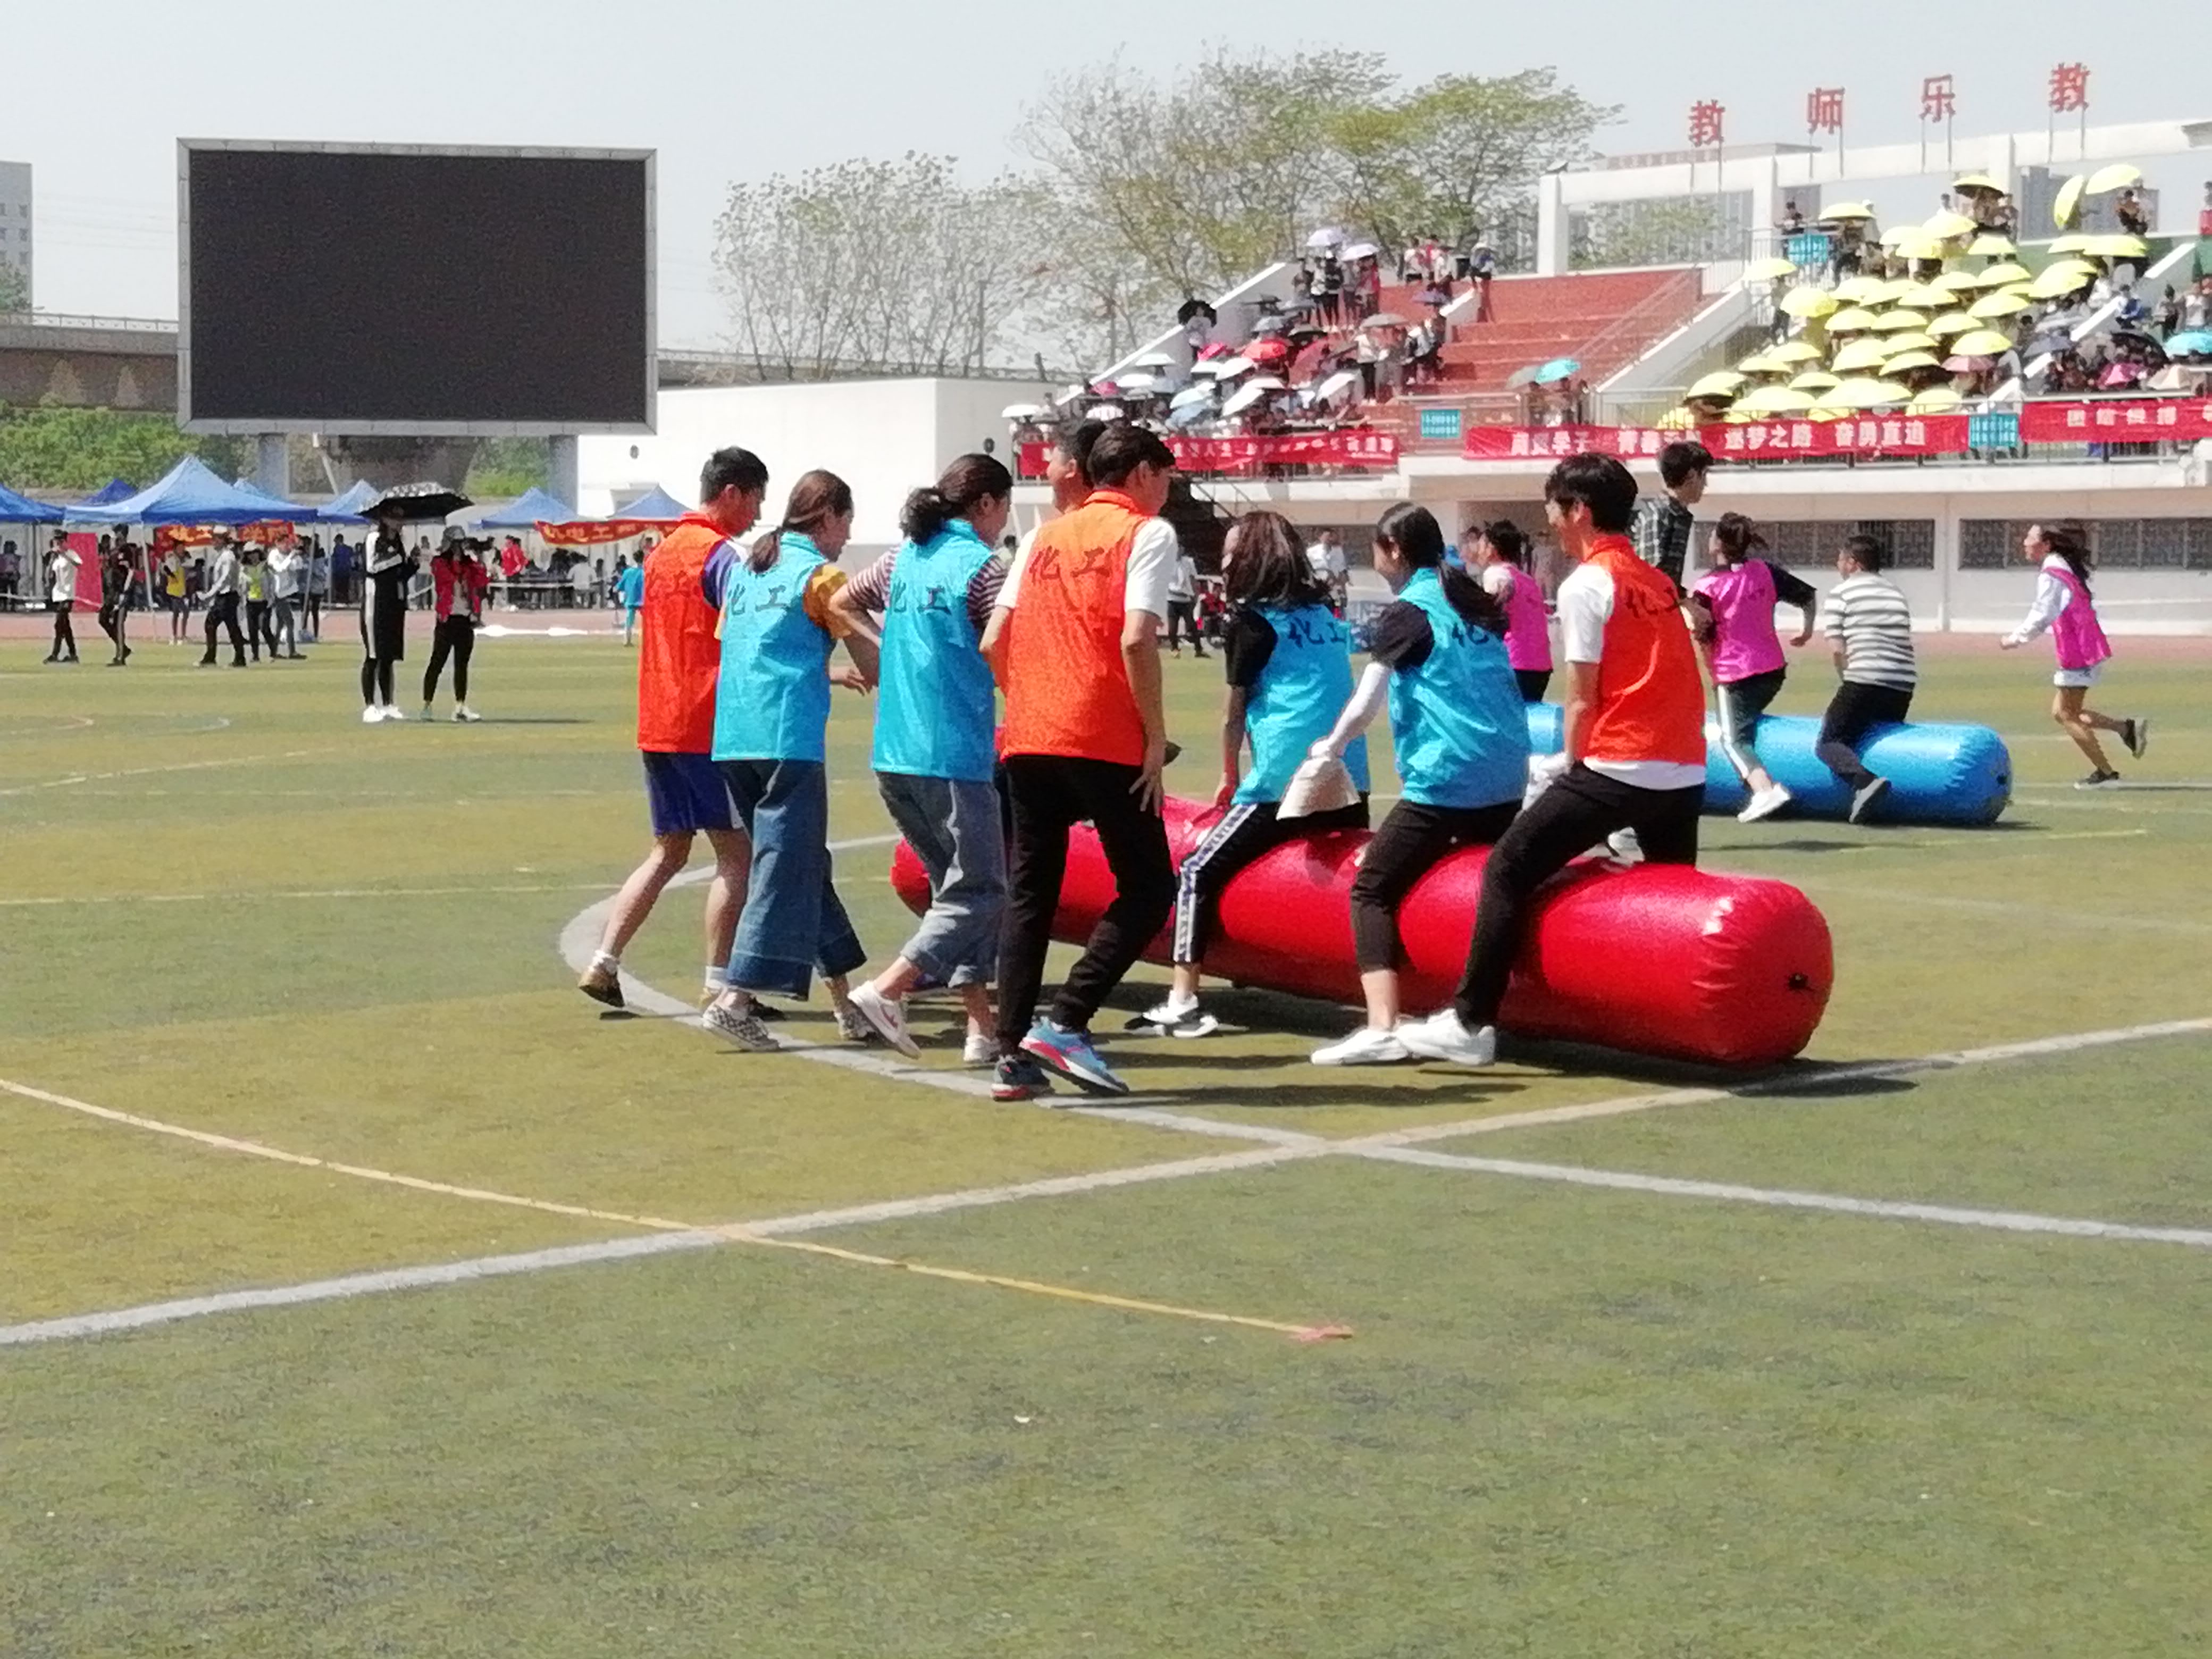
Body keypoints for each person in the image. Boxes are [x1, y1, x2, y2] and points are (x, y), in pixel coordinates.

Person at [1398, 454, 1707, 1068]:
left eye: (1554, 510)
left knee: (1506, 866)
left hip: (1621, 765)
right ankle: (1677, 1018)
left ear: (1579, 511)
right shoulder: (1655, 581)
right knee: (1671, 899)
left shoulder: (1587, 584)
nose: (1551, 522)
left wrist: (1569, 764)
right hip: (1684, 768)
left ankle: (1470, 1022)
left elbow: (1582, 696)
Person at [982, 422, 1178, 1100]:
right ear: (1143, 474)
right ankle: (1066, 1019)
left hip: (1029, 735)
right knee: (1149, 887)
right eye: (1165, 476)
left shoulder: (1042, 536)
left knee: (1030, 893)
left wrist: (1032, 701)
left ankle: (1011, 1053)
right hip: (1102, 735)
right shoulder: (1146, 533)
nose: (1167, 490)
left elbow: (993, 640)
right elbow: (1136, 639)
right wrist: (1153, 736)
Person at [1131, 510, 1370, 1041]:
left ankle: (1182, 999)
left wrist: (1229, 775)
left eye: (1232, 552)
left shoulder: (1250, 622)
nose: (1224, 561)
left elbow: (1232, 714)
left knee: (1196, 870)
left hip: (1287, 781)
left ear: (1254, 559)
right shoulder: (1325, 615)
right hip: (1349, 775)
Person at [1305, 505, 1529, 1066]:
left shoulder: (1410, 612)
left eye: (1377, 548)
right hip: (1507, 778)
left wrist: (1328, 749)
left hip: (1451, 779)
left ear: (1394, 550)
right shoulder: (1470, 602)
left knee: (1371, 887)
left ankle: (1382, 1026)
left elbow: (1365, 705)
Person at [828, 455, 1016, 1066]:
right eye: (1003, 508)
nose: (1002, 521)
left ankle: (980, 1028)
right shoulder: (982, 568)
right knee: (982, 892)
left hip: (894, 752)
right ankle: (888, 990)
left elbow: (842, 601)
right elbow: (1002, 644)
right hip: (952, 754)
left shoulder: (903, 557)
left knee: (951, 893)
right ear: (985, 505)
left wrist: (888, 650)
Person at [579, 448, 770, 1016]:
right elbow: (750, 630)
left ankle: (604, 961)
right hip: (704, 726)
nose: (758, 515)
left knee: (668, 851)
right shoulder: (720, 556)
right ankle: (718, 983)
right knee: (736, 855)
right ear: (731, 493)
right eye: (755, 500)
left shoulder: (662, 552)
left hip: (658, 721)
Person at [700, 470, 877, 1052]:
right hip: (787, 740)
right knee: (783, 868)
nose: (847, 537)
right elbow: (875, 660)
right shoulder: (822, 577)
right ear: (827, 518)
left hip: (735, 736)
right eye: (846, 523)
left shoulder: (748, 569)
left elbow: (748, 647)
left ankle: (846, 1001)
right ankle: (735, 998)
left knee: (801, 865)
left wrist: (820, 670)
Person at [1688, 512, 1818, 824]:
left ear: (1718, 544)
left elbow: (1703, 636)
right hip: (1773, 670)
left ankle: (1764, 790)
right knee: (1745, 722)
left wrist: (1712, 672)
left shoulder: (1707, 587)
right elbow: (1807, 595)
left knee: (1733, 739)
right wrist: (1807, 630)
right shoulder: (1764, 571)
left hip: (1734, 674)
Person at [2000, 521, 2149, 787]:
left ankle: (2106, 773)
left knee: (2067, 714)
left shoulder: (2052, 572)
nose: (2024, 542)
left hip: (2079, 650)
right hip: (2082, 647)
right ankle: (2126, 729)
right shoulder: (2060, 566)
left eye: (2030, 538)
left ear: (2046, 545)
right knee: (2064, 712)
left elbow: (2043, 613)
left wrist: (2015, 638)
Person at [1814, 534, 1918, 823]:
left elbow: (1838, 649)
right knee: (1874, 738)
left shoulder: (1842, 594)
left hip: (1865, 680)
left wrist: (1845, 680)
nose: (1838, 565)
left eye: (1840, 559)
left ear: (1853, 562)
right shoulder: (1896, 593)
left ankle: (1864, 782)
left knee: (1829, 742)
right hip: (1903, 684)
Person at [1470, 520, 1552, 700]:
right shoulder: (1528, 581)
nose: (1479, 550)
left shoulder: (1495, 574)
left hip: (1514, 662)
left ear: (1492, 549)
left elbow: (1489, 617)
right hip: (1541, 665)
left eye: (1482, 545)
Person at [423, 527, 490, 721]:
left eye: (461, 543)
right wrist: (459, 561)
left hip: (465, 619)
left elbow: (482, 580)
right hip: (447, 619)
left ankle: (460, 706)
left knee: (462, 665)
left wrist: (479, 556)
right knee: (437, 663)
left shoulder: (469, 564)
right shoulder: (440, 562)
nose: (459, 547)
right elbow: (448, 577)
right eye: (455, 543)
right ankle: (427, 704)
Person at [1629, 441, 1710, 590]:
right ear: (1691, 476)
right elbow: (1650, 575)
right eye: (1704, 476)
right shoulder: (1659, 514)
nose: (1705, 484)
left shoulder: (1678, 514)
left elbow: (1670, 578)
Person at [358, 511, 415, 720]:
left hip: (394, 603)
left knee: (388, 656)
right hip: (375, 601)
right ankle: (370, 705)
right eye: (395, 517)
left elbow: (400, 574)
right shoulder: (374, 538)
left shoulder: (398, 543)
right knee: (373, 655)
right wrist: (398, 559)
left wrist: (412, 564)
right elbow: (373, 567)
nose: (400, 522)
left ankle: (388, 703)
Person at [197, 531, 247, 668]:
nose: (213, 542)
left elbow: (225, 579)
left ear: (222, 540)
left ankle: (213, 657)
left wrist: (209, 595)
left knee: (215, 625)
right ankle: (238, 658)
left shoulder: (227, 557)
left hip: (227, 596)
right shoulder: (223, 556)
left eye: (215, 539)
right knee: (228, 626)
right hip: (225, 596)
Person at [43, 531, 81, 665]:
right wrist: (52, 559)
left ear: (65, 541)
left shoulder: (71, 553)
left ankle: (55, 654)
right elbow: (49, 576)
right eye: (56, 541)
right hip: (58, 594)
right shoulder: (56, 558)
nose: (58, 543)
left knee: (59, 624)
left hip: (68, 594)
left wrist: (64, 554)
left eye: (60, 541)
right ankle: (73, 654)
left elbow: (78, 564)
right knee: (65, 626)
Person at [1163, 541, 1206, 658]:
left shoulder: (1188, 562)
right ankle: (1174, 649)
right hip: (1172, 599)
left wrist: (1195, 595)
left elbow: (1193, 579)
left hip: (1186, 600)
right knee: (1172, 628)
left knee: (1192, 626)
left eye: (1180, 548)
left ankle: (1198, 649)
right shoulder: (1167, 562)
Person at [96, 536, 133, 666]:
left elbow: (130, 572)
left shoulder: (124, 552)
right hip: (111, 595)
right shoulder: (110, 556)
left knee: (119, 623)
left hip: (121, 593)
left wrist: (125, 592)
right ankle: (123, 648)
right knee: (103, 619)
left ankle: (120, 656)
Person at [267, 539, 306, 659]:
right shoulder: (274, 555)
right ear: (277, 544)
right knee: (289, 622)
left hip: (286, 592)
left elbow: (298, 567)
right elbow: (280, 569)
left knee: (281, 624)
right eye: (284, 543)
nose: (287, 546)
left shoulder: (288, 555)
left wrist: (295, 555)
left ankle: (274, 651)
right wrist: (291, 556)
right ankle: (292, 652)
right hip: (277, 594)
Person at [158, 547, 189, 642]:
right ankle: (180, 635)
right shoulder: (173, 560)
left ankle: (176, 635)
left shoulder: (179, 563)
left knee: (177, 613)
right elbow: (165, 568)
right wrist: (173, 576)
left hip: (179, 591)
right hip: (174, 591)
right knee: (184, 612)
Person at [615, 555, 646, 643]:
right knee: (646, 622)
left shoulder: (628, 572)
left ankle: (628, 641)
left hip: (631, 599)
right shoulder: (646, 572)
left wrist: (617, 589)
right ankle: (646, 641)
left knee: (629, 622)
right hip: (644, 599)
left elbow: (620, 586)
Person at [305, 536, 329, 642]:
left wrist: (313, 571)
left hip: (317, 588)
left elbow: (322, 575)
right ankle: (304, 631)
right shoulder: (306, 559)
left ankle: (316, 634)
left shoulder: (320, 560)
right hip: (306, 588)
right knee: (305, 611)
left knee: (315, 611)